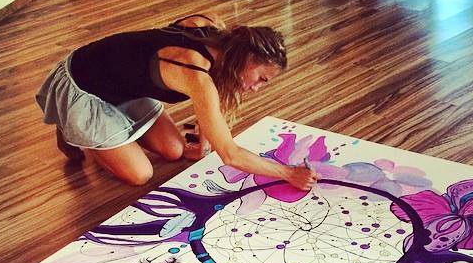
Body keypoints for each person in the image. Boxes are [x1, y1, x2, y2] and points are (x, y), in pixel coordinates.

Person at [35, 14, 318, 191]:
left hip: (125, 89)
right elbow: (230, 154)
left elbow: (210, 107)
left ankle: (100, 133)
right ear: (247, 59)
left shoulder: (215, 30)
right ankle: (72, 126)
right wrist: (288, 173)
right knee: (140, 175)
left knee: (174, 150)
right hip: (84, 85)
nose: (256, 88)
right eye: (261, 79)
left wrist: (205, 142)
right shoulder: (195, 74)